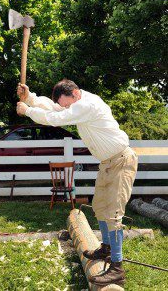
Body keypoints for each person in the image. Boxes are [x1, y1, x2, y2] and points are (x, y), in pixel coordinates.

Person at [16, 79, 138, 288]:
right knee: (99, 207)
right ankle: (106, 249)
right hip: (108, 163)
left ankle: (117, 268)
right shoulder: (75, 102)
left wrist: (28, 111)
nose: (65, 108)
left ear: (74, 93)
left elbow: (56, 118)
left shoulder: (86, 104)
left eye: (66, 104)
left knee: (113, 214)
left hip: (121, 161)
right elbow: (55, 108)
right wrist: (31, 98)